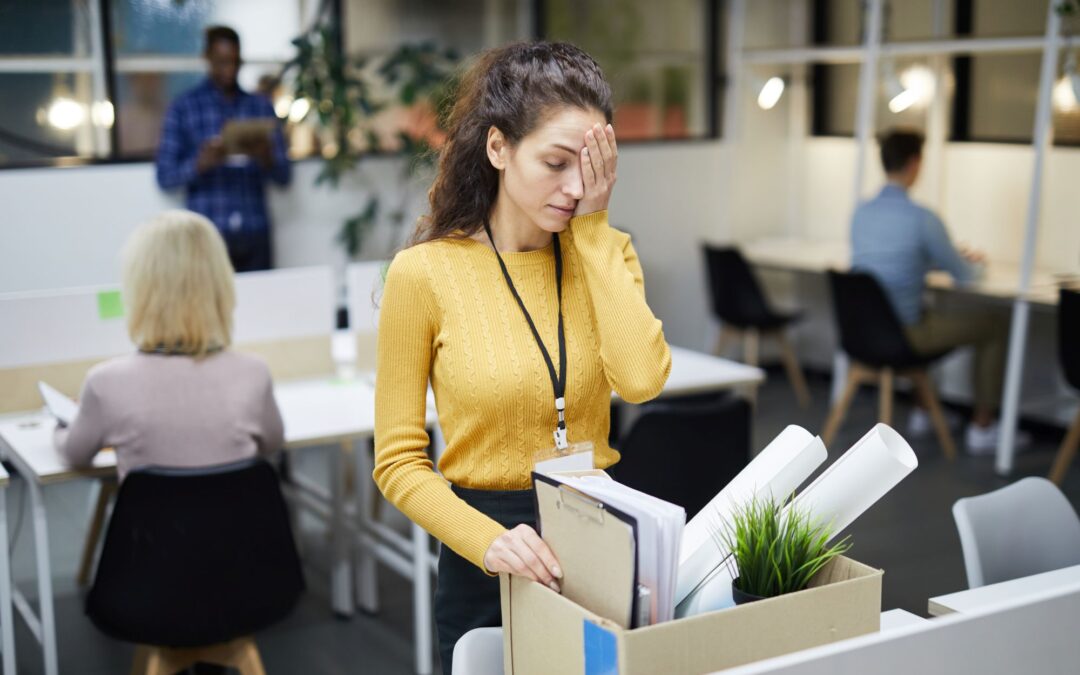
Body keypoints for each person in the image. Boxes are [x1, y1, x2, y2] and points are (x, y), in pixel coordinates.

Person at [373, 42, 671, 672]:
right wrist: (489, 543)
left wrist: (592, 229)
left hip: (598, 534)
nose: (572, 188)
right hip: (486, 547)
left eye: (588, 168)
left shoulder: (604, 253)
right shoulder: (424, 274)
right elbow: (397, 462)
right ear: (499, 149)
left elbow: (643, 381)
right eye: (555, 163)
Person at [55, 210, 284, 480]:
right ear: (220, 285)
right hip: (237, 522)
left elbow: (74, 454)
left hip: (147, 524)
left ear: (141, 289)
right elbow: (273, 442)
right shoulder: (253, 373)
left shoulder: (105, 383)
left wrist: (59, 426)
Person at [850, 128, 1015, 454]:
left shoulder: (861, 212)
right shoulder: (922, 219)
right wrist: (975, 262)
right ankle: (983, 426)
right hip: (904, 333)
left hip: (864, 332)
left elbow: (887, 263)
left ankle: (924, 412)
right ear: (915, 163)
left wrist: (928, 263)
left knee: (928, 313)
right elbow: (965, 276)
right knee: (994, 324)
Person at [155, 25, 291, 272]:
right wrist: (200, 163)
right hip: (206, 235)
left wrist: (265, 156)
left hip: (254, 231)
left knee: (262, 304)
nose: (229, 69)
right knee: (207, 308)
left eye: (235, 62)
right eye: (222, 61)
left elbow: (284, 176)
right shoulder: (183, 107)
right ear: (207, 58)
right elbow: (165, 176)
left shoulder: (260, 107)